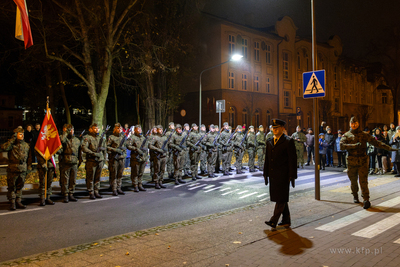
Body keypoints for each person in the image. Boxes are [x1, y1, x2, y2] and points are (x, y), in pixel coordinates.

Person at [340, 117, 397, 209]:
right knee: (353, 181)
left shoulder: (364, 135)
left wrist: (389, 148)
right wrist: (354, 146)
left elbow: (376, 143)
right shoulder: (346, 135)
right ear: (350, 124)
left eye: (355, 123)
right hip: (351, 161)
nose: (354, 125)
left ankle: (366, 199)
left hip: (362, 160)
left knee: (363, 181)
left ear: (358, 123)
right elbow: (341, 146)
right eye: (352, 123)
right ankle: (355, 195)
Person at [264, 119, 297, 229]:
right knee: (281, 197)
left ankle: (274, 220)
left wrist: (292, 175)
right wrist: (265, 173)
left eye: (277, 128)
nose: (274, 130)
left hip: (284, 175)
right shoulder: (269, 141)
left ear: (282, 128)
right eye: (273, 128)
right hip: (273, 175)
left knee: (280, 198)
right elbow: (267, 160)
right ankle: (286, 220)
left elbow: (292, 160)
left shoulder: (288, 141)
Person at [1, 126, 32, 210]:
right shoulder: (11, 144)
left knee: (20, 186)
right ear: (15, 135)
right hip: (13, 169)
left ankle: (18, 201)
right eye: (20, 134)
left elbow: (29, 157)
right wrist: (12, 139)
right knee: (12, 187)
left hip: (22, 169)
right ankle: (12, 202)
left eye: (23, 134)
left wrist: (29, 166)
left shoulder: (26, 145)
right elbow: (3, 148)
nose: (22, 136)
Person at [81, 123, 107, 199]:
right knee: (90, 177)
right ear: (90, 129)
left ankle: (96, 191)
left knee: (97, 177)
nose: (97, 130)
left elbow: (105, 148)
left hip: (100, 160)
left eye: (97, 128)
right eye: (95, 128)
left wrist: (104, 159)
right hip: (91, 161)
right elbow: (84, 148)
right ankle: (91, 192)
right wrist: (93, 153)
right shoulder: (87, 138)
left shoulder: (101, 138)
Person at [59, 124, 80, 203]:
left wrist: (79, 160)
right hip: (66, 161)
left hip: (74, 162)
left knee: (73, 179)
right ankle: (65, 195)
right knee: (65, 180)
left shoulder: (77, 140)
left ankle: (71, 194)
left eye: (72, 130)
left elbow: (79, 151)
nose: (71, 131)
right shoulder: (64, 138)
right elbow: (62, 141)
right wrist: (65, 133)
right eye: (70, 130)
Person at [107, 123, 128, 196]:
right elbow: (107, 147)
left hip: (121, 158)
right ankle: (114, 189)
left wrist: (124, 154)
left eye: (121, 129)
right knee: (114, 174)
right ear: (115, 129)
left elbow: (125, 147)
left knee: (120, 174)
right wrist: (115, 150)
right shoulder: (111, 137)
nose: (120, 130)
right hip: (114, 158)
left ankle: (119, 188)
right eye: (118, 128)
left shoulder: (123, 137)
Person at [127, 125, 149, 192]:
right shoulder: (132, 137)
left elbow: (146, 146)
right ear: (135, 130)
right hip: (135, 158)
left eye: (140, 129)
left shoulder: (143, 138)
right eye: (138, 129)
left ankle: (140, 184)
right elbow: (128, 145)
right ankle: (135, 185)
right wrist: (136, 149)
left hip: (143, 158)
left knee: (141, 172)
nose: (139, 130)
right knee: (135, 172)